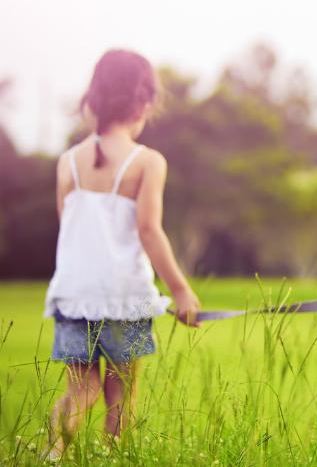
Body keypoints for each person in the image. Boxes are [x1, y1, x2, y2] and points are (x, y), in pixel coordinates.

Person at [45, 49, 201, 458]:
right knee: (121, 396)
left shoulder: (68, 163)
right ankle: (114, 459)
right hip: (123, 298)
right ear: (144, 104)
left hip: (74, 295)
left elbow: (69, 228)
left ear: (92, 101)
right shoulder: (147, 161)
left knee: (81, 390)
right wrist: (180, 291)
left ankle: (51, 455)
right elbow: (149, 230)